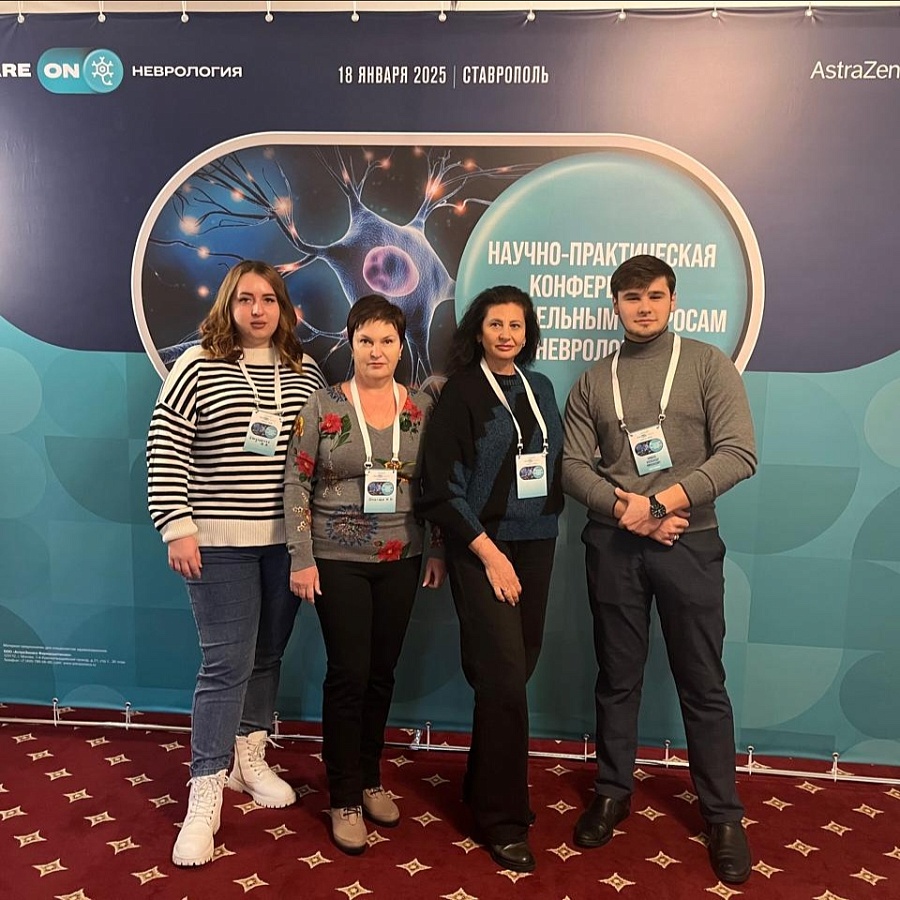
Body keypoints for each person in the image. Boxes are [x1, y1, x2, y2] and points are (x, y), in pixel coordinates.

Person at [562, 254, 757, 885]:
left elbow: (739, 453)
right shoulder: (594, 381)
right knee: (617, 677)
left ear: (673, 301)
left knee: (703, 682)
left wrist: (660, 504)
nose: (643, 307)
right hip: (614, 546)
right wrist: (629, 512)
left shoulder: (707, 364)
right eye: (631, 297)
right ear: (615, 305)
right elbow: (572, 467)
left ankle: (722, 815)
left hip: (689, 545)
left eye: (654, 296)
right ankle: (612, 792)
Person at [146, 259, 326, 867]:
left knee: (267, 655)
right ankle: (206, 790)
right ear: (229, 305)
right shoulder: (197, 365)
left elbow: (315, 458)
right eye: (246, 299)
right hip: (218, 542)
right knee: (226, 664)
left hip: (285, 544)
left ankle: (250, 758)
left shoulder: (304, 370)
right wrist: (176, 527)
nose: (257, 310)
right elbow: (165, 445)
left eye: (268, 299)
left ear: (283, 308)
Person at [283, 294, 445, 856]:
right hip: (336, 559)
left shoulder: (420, 409)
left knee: (381, 674)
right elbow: (297, 481)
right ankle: (345, 796)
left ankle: (371, 777)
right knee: (349, 675)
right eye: (365, 340)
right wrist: (301, 556)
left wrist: (437, 550)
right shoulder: (322, 404)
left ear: (401, 347)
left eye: (387, 340)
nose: (377, 351)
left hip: (403, 556)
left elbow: (435, 486)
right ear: (350, 345)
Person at [416, 285, 564, 873]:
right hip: (482, 547)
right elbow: (439, 487)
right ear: (478, 330)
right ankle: (502, 820)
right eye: (496, 324)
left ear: (528, 333)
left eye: (516, 325)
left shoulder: (540, 387)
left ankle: (483, 788)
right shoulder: (462, 393)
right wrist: (488, 553)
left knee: (516, 671)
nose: (507, 335)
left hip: (538, 542)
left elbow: (554, 463)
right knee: (502, 679)